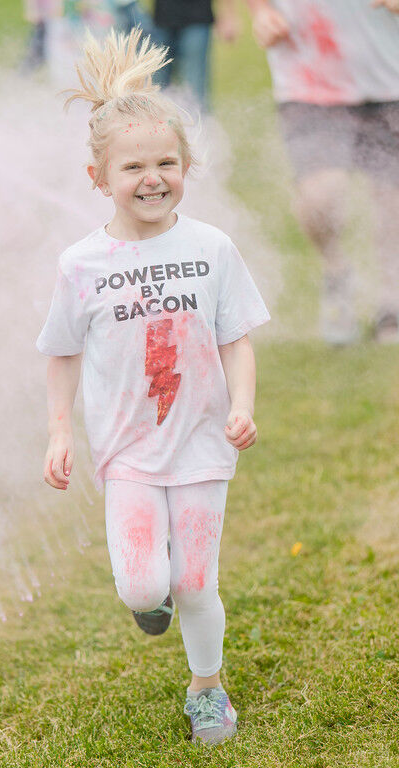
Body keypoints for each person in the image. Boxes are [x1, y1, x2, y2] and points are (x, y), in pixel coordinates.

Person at [37, 29, 270, 744]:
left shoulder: (212, 248)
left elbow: (236, 337)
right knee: (142, 583)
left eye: (167, 162)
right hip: (129, 451)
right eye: (133, 166)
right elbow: (62, 351)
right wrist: (60, 429)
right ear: (98, 177)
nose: (152, 178)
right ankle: (151, 599)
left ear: (186, 166)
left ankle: (207, 688)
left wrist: (241, 405)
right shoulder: (81, 264)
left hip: (201, 443)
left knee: (196, 580)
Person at [245, 0, 399, 344]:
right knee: (320, 196)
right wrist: (261, 12)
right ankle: (337, 273)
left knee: (392, 199)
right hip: (307, 82)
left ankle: (391, 302)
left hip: (389, 79)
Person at [152, 0, 240, 110]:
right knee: (157, 89)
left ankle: (198, 119)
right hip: (160, 20)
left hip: (197, 19)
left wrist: (228, 15)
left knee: (195, 89)